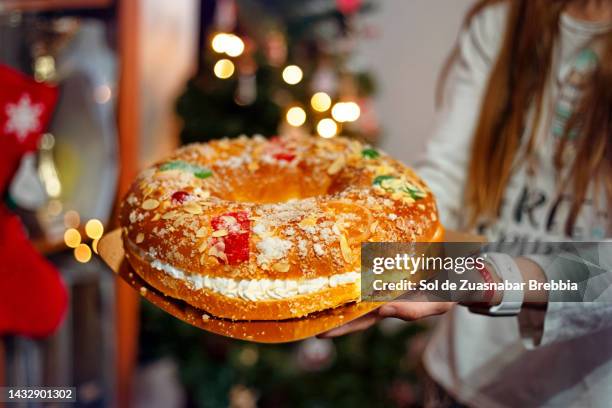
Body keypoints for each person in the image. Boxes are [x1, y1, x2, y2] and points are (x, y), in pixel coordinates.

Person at [321, 0, 612, 406]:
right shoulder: (501, 21)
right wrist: (385, 263)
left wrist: (490, 280)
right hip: (454, 379)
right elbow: (445, 178)